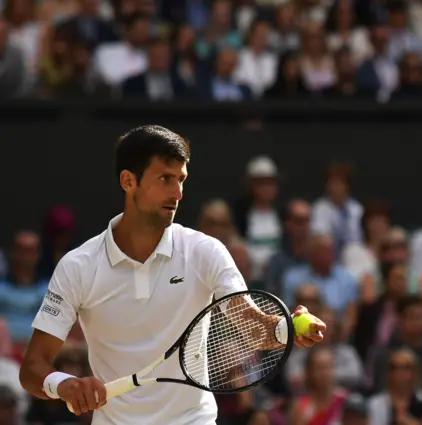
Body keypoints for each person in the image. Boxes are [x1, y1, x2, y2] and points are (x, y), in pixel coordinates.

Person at [18, 125, 326, 425]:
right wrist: (65, 385)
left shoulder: (205, 252)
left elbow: (253, 327)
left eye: (181, 180)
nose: (177, 193)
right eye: (165, 179)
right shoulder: (78, 266)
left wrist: (287, 329)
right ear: (128, 181)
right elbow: (32, 368)